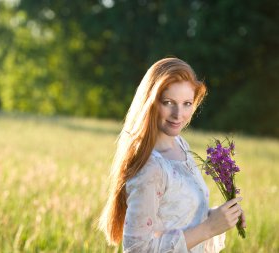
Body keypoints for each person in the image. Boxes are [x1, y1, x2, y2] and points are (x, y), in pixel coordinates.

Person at [98, 57, 246, 252]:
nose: (178, 114)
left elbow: (176, 218)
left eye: (187, 103)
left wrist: (221, 217)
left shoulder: (180, 145)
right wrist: (208, 228)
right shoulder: (150, 168)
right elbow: (138, 249)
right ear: (150, 103)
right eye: (168, 102)